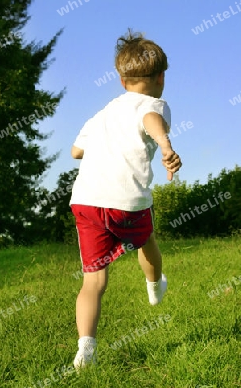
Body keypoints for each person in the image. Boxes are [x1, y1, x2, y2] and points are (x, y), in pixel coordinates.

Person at [69, 29, 182, 370]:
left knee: (94, 280)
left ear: (121, 81)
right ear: (161, 77)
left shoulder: (101, 114)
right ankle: (153, 285)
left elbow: (76, 150)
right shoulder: (155, 104)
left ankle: (85, 349)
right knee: (147, 241)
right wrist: (164, 145)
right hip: (126, 201)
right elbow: (151, 120)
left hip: (87, 200)